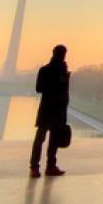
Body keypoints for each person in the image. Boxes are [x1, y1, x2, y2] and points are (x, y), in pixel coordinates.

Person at [29, 44, 70, 178]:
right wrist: (58, 81)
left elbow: (40, 88)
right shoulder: (50, 71)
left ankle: (42, 166)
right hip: (52, 109)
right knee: (44, 138)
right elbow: (40, 88)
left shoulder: (46, 70)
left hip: (50, 109)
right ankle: (41, 166)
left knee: (48, 139)